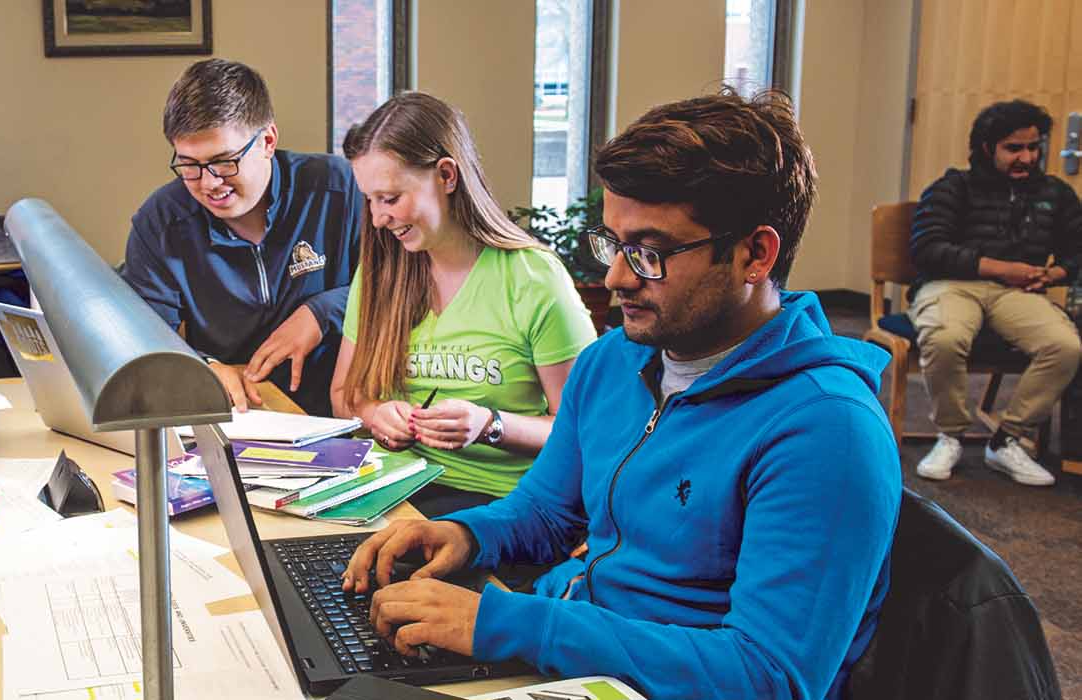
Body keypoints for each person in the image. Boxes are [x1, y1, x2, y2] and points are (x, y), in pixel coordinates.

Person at [341, 90, 901, 700]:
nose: (617, 278)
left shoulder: (827, 429)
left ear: (754, 255)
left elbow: (768, 677)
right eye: (613, 243)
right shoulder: (615, 361)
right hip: (572, 651)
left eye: (651, 253)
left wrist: (510, 623)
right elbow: (547, 513)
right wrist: (465, 535)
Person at [331, 92, 595, 515]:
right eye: (370, 200)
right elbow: (345, 393)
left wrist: (491, 426)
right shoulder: (381, 272)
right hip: (393, 492)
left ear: (447, 176)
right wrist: (373, 412)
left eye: (391, 198)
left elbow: (585, 430)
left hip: (501, 508)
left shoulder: (533, 279)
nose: (378, 218)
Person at [121, 58, 361, 416]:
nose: (208, 183)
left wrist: (324, 312)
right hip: (240, 419)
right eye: (189, 164)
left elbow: (407, 286)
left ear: (267, 141)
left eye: (224, 162)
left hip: (350, 413)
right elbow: (145, 340)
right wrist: (201, 368)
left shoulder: (341, 189)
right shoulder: (161, 222)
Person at [909, 99, 1082, 486]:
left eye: (1034, 147)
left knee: (1065, 346)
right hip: (950, 285)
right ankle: (950, 435)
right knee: (946, 337)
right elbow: (927, 249)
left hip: (1016, 294)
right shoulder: (954, 186)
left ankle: (1007, 440)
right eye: (1014, 148)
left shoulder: (1055, 193)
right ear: (988, 148)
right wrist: (1003, 268)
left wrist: (1055, 272)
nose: (1027, 157)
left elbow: (1078, 248)